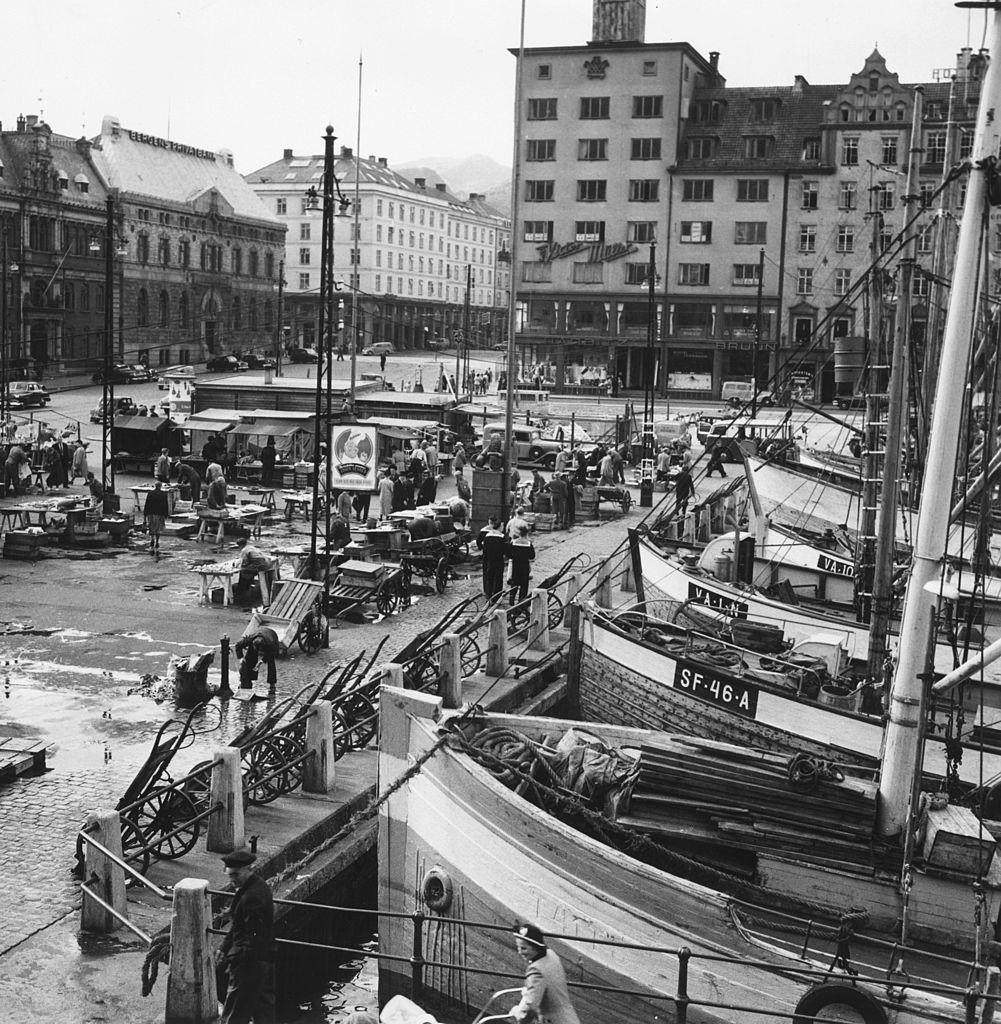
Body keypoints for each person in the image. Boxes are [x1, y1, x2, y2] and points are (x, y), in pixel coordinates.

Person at [217, 849, 276, 1024]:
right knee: (264, 1009)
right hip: (266, 957)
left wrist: (237, 962)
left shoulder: (251, 897)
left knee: (235, 1011)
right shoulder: (257, 886)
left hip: (250, 961)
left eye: (235, 875)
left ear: (248, 869)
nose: (232, 880)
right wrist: (224, 947)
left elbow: (251, 936)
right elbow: (239, 925)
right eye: (229, 875)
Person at [509, 923, 580, 1024]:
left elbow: (530, 1007)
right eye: (518, 947)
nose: (520, 952)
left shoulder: (536, 971)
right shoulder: (551, 955)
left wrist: (518, 1013)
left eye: (524, 948)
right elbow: (548, 986)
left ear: (536, 948)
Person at [234, 625, 279, 691]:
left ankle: (272, 684)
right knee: (248, 659)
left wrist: (261, 661)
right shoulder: (250, 639)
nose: (258, 655)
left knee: (271, 662)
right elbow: (238, 645)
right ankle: (246, 682)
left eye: (260, 653)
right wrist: (241, 658)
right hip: (258, 633)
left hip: (271, 634)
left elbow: (271, 653)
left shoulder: (271, 644)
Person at [477, 516, 507, 598]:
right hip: (498, 560)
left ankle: (488, 594)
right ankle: (496, 595)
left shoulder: (487, 536)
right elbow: (505, 550)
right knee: (498, 577)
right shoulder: (502, 537)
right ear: (499, 527)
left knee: (489, 576)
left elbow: (483, 547)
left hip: (488, 559)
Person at [506, 525, 535, 604]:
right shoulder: (529, 544)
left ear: (518, 533)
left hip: (515, 566)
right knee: (524, 586)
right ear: (526, 534)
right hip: (525, 567)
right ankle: (521, 603)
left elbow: (508, 554)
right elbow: (532, 556)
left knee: (514, 585)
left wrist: (514, 556)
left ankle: (511, 602)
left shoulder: (513, 542)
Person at [143, 480, 169, 552]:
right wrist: (166, 514)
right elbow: (165, 505)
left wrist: (145, 515)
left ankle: (152, 540)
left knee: (151, 527)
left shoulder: (150, 493)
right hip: (160, 514)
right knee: (158, 529)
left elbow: (147, 504)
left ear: (155, 486)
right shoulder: (163, 494)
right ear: (160, 486)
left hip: (151, 513)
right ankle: (157, 541)